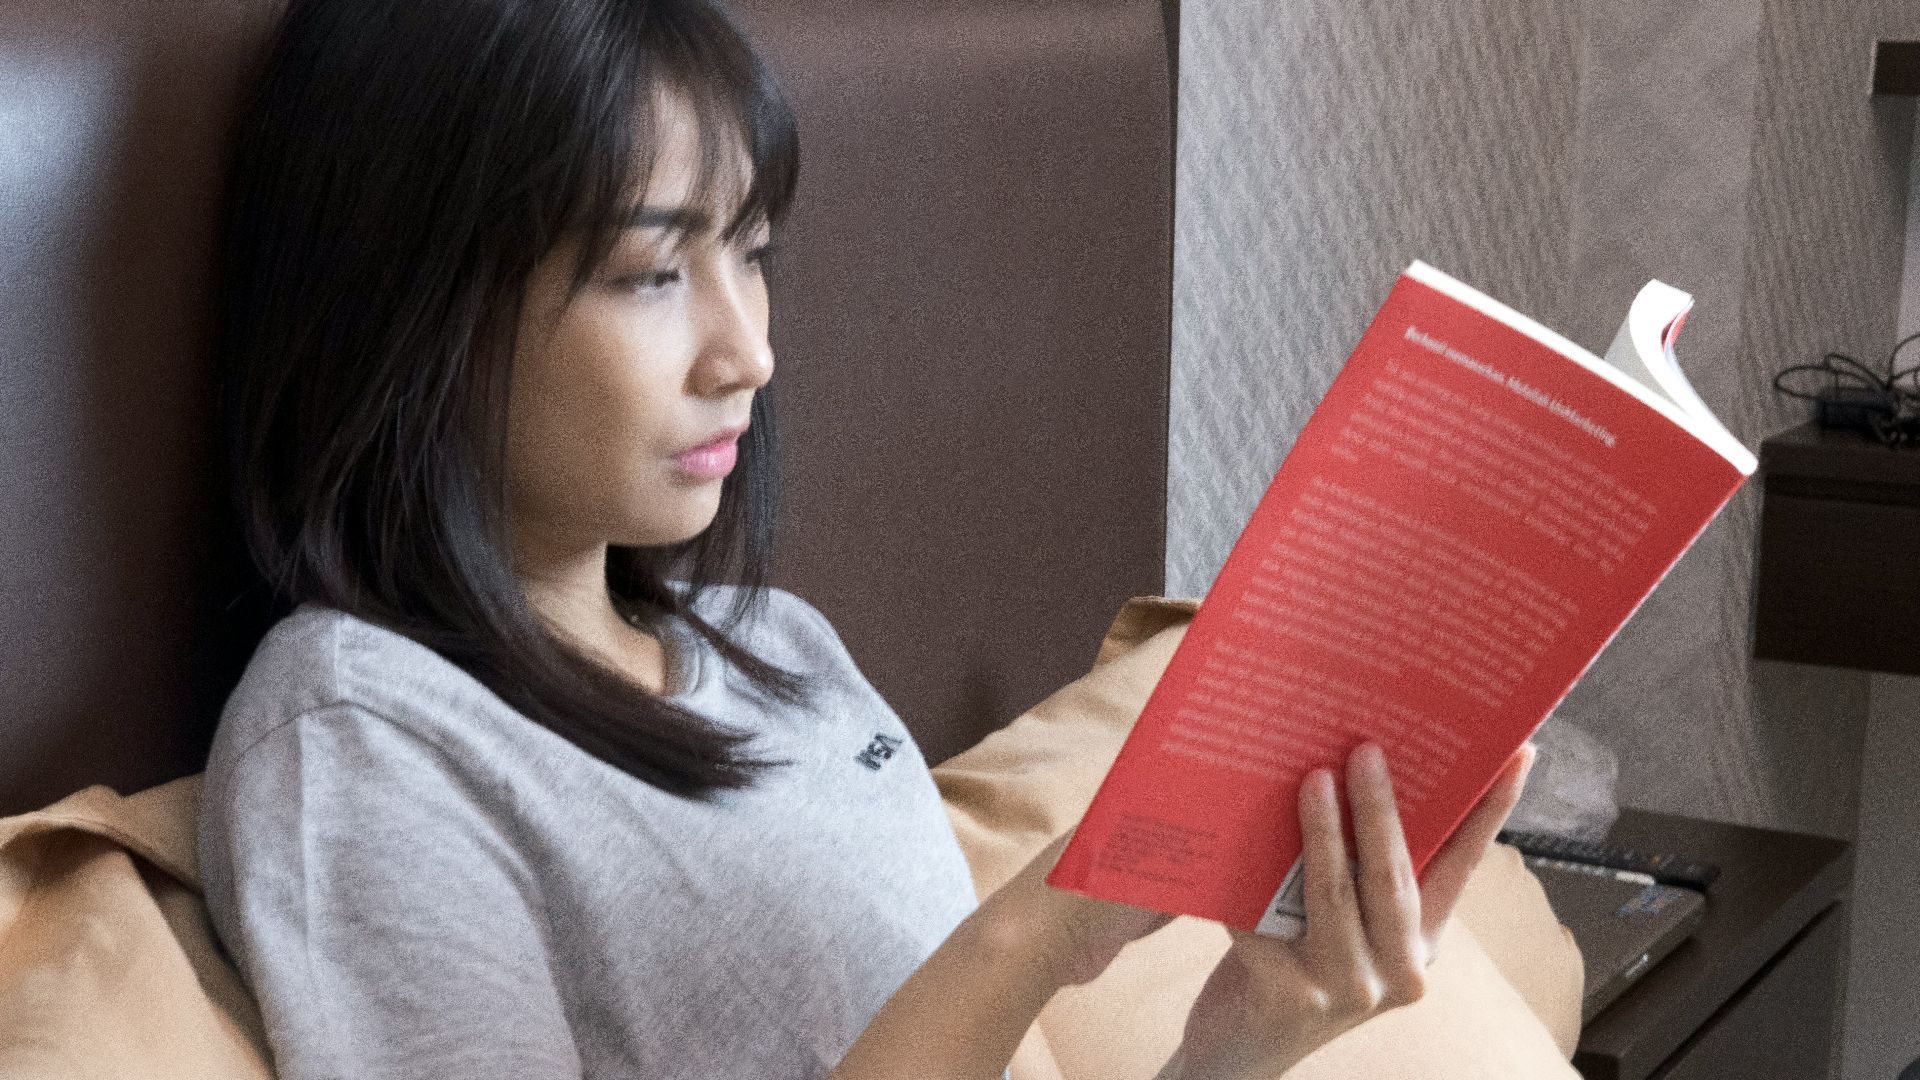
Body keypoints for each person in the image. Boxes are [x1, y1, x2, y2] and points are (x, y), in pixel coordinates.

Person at [196, 0, 1538, 1077]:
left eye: (755, 253)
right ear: (417, 300)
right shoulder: (361, 736)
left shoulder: (776, 649)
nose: (751, 354)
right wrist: (1029, 936)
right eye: (653, 273)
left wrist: (1246, 1041)